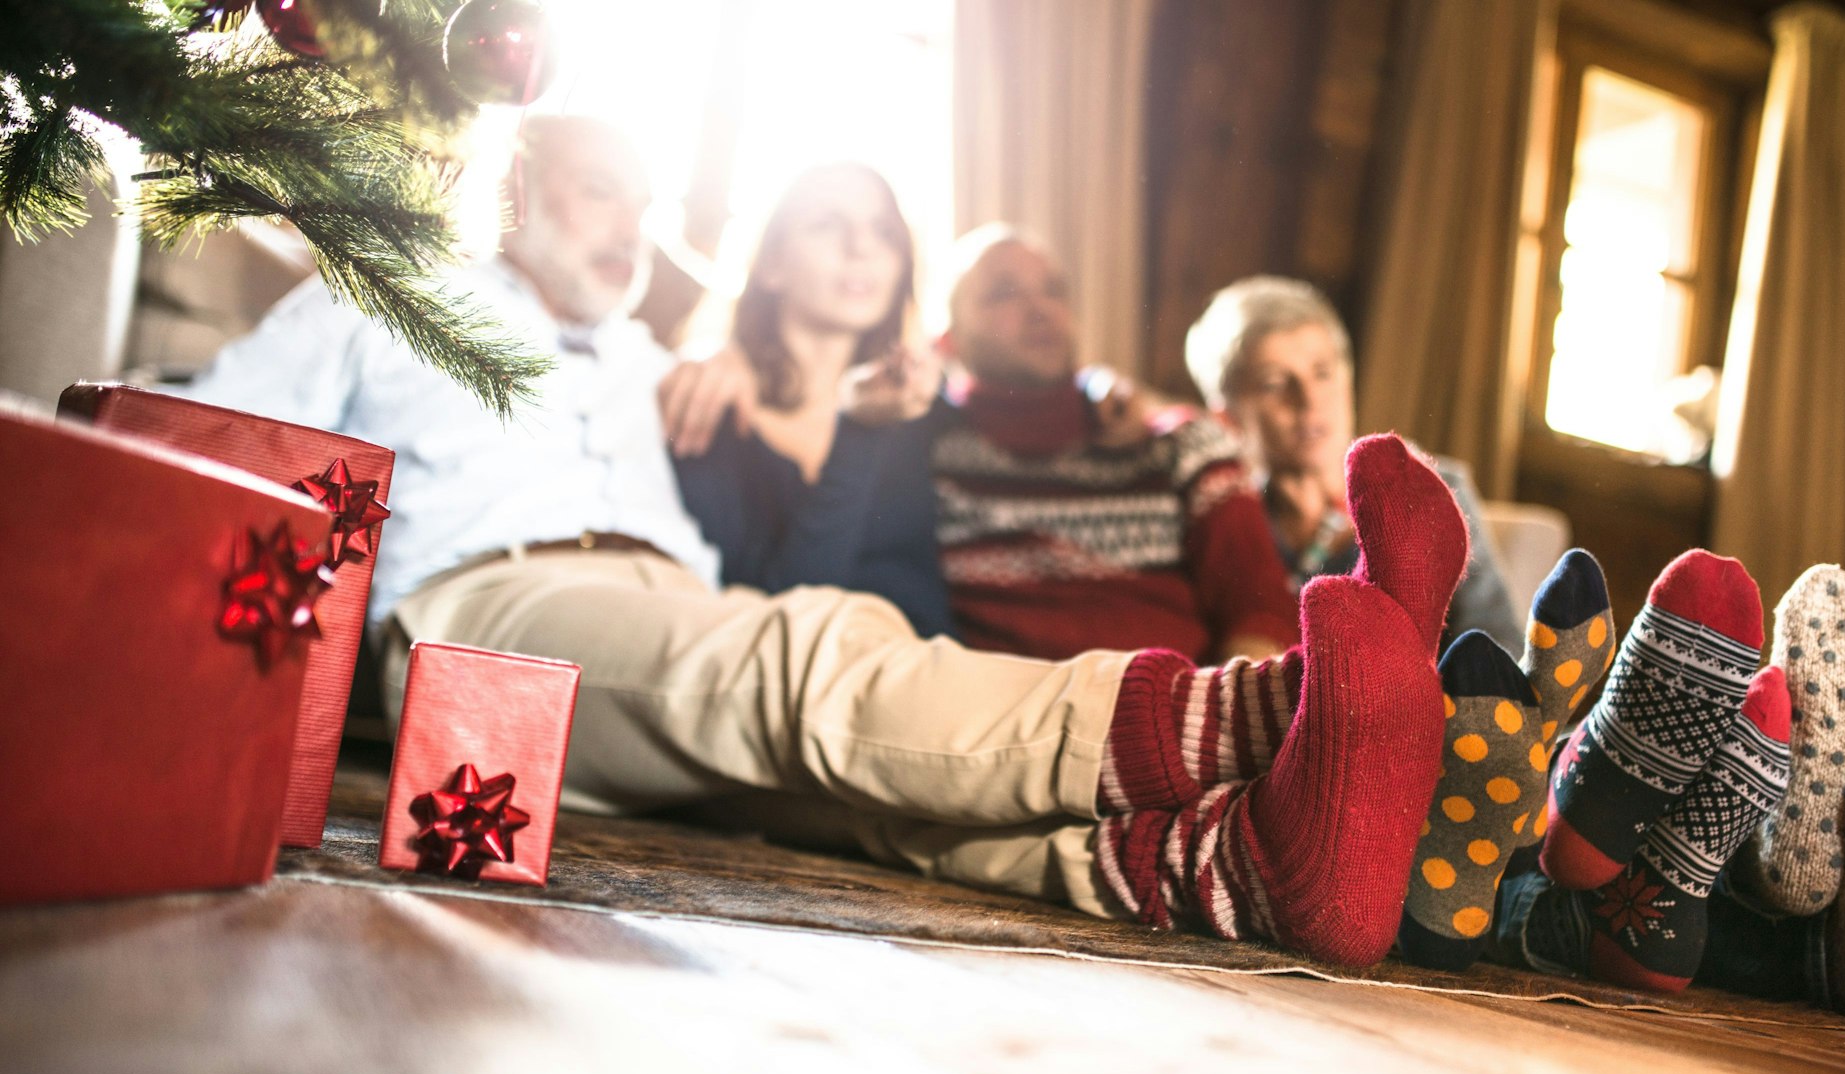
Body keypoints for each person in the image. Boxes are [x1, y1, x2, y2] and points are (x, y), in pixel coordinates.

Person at [183, 114, 1477, 971]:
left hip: (643, 647)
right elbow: (206, 444)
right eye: (596, 194)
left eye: (644, 205)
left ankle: (1247, 869)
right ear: (514, 188)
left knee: (874, 797)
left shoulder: (655, 368)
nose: (629, 227)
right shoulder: (385, 300)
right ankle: (1272, 713)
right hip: (478, 625)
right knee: (796, 657)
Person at [927, 227, 1299, 663]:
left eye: (1054, 290)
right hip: (1010, 722)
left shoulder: (1183, 447)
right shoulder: (926, 454)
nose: (1040, 309)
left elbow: (1262, 614)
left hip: (1185, 713)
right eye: (1004, 293)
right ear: (947, 340)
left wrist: (1219, 720)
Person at [667, 163, 953, 638]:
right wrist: (859, 430)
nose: (861, 248)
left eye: (882, 231)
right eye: (827, 225)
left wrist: (1102, 392)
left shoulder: (924, 409)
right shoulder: (708, 411)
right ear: (770, 265)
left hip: (942, 678)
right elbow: (786, 617)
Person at [1184, 276, 1521, 655]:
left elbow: (1499, 648)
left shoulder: (1430, 487)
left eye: (1323, 373)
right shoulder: (1226, 515)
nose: (1309, 400)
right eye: (1274, 384)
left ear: (1348, 380)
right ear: (1227, 417)